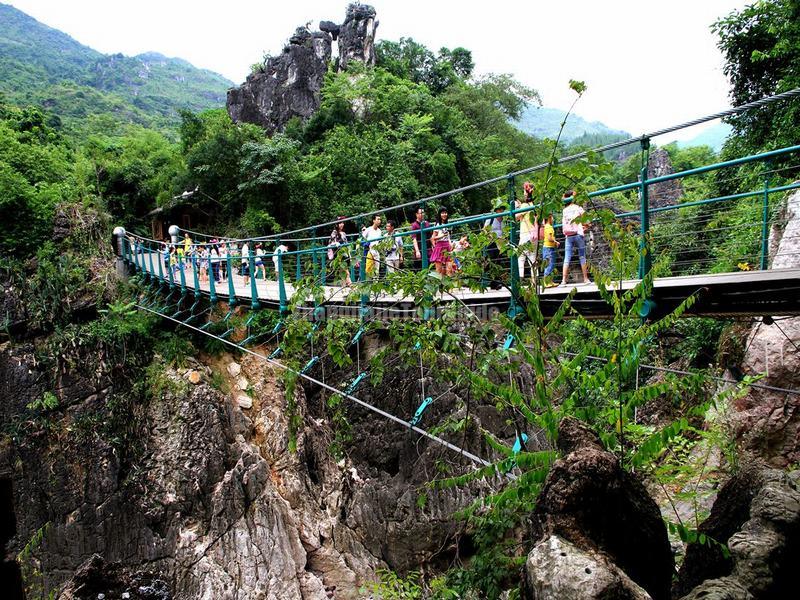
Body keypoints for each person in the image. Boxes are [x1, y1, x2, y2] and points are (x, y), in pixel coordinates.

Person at [560, 190, 591, 285]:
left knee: (567, 257)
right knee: (582, 256)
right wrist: (585, 226)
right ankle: (585, 279)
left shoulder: (564, 210)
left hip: (568, 235)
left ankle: (563, 281)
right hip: (578, 234)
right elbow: (587, 221)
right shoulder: (578, 208)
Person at [516, 182, 538, 282]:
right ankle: (535, 280)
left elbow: (516, 217)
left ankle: (520, 279)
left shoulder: (525, 205)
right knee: (532, 258)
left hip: (525, 234)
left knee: (520, 257)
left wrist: (517, 208)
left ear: (526, 192)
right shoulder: (533, 205)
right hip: (534, 234)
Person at [484, 200, 507, 289]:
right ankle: (495, 282)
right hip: (491, 243)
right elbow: (485, 230)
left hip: (500, 244)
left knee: (498, 262)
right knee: (493, 262)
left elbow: (505, 232)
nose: (501, 211)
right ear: (496, 210)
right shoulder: (491, 218)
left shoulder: (504, 220)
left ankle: (495, 283)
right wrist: (490, 237)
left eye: (502, 209)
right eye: (500, 209)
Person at [429, 207, 452, 276]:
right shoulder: (437, 225)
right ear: (439, 214)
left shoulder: (447, 224)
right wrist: (441, 236)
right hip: (440, 246)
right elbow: (433, 238)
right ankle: (439, 285)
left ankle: (449, 286)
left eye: (445, 213)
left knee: (449, 269)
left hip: (447, 245)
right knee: (439, 271)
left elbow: (448, 237)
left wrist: (450, 244)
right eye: (442, 213)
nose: (444, 214)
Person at [329, 217, 352, 286]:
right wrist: (336, 243)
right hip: (339, 255)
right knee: (347, 273)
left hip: (345, 254)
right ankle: (352, 288)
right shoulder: (334, 232)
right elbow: (331, 243)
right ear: (337, 224)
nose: (342, 224)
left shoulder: (344, 233)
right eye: (340, 223)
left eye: (342, 223)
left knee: (342, 274)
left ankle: (343, 290)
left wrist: (350, 255)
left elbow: (347, 245)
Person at [409, 207, 431, 271]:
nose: (423, 214)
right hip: (419, 250)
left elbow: (430, 236)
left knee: (429, 268)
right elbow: (414, 238)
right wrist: (417, 251)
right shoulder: (414, 225)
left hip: (428, 250)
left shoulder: (427, 223)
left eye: (423, 213)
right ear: (417, 214)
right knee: (419, 269)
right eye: (421, 213)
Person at [542, 212, 559, 286]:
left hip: (549, 248)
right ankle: (546, 282)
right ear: (549, 218)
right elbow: (549, 238)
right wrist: (555, 241)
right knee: (549, 265)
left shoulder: (546, 226)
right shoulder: (548, 227)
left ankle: (550, 281)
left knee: (551, 265)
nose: (553, 219)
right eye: (552, 217)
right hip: (548, 248)